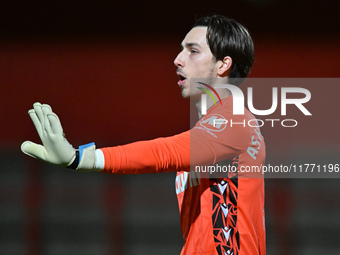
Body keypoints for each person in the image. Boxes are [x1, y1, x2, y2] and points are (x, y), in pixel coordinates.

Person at [21, 15, 266, 255]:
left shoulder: (235, 121)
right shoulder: (211, 133)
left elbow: (164, 152)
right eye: (181, 50)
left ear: (223, 64)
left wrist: (81, 158)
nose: (177, 59)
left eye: (193, 51)